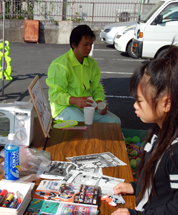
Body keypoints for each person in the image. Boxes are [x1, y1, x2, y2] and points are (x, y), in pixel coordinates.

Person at [112, 46, 178, 215]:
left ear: (166, 103)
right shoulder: (160, 132)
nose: (134, 105)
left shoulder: (175, 151)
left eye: (139, 101)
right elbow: (159, 185)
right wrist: (136, 187)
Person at [46, 24, 120, 124]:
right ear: (74, 44)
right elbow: (54, 95)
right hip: (64, 107)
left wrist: (99, 101)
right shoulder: (60, 65)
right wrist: (75, 100)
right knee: (84, 126)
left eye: (91, 44)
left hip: (87, 106)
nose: (89, 48)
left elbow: (97, 87)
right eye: (85, 44)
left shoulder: (91, 64)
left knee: (115, 122)